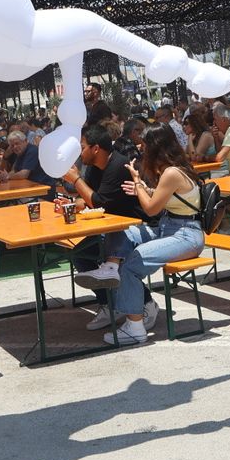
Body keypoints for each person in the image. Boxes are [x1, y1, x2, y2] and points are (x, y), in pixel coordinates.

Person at [73, 125, 206, 346]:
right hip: (168, 228)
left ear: (156, 147)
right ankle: (110, 267)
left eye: (144, 146)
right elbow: (166, 198)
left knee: (132, 264)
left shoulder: (171, 173)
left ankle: (135, 328)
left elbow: (151, 209)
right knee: (120, 227)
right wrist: (145, 189)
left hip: (186, 235)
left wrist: (138, 184)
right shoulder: (173, 169)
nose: (141, 150)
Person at [61, 121, 160, 332]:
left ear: (96, 148)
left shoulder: (118, 166)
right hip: (112, 228)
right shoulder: (94, 168)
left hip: (139, 227)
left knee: (116, 260)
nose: (80, 152)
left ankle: (147, 304)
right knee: (81, 253)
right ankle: (109, 305)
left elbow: (98, 201)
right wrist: (70, 204)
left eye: (82, 147)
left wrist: (76, 179)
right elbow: (90, 200)